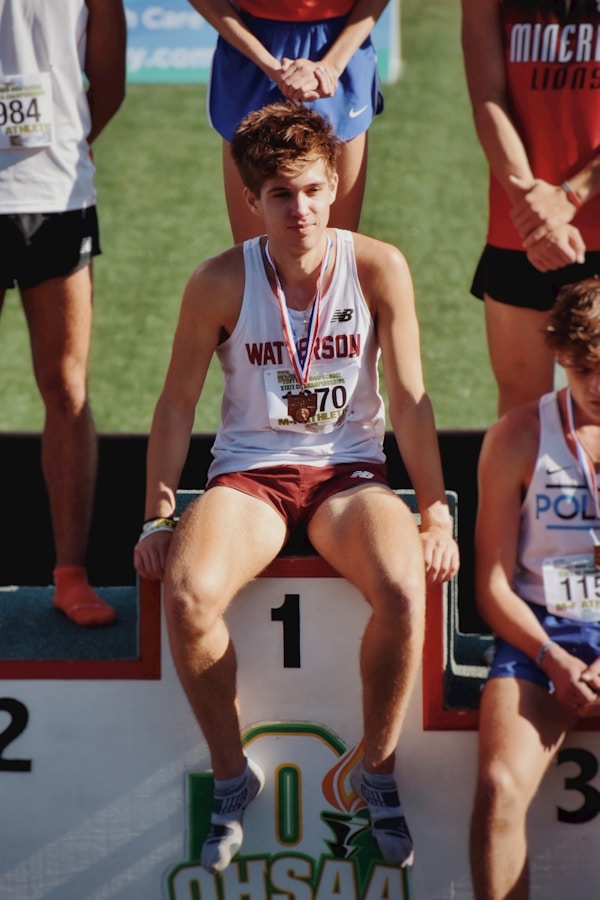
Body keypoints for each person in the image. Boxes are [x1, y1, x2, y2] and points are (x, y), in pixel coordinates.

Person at [134, 101, 459, 874]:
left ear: (336, 182)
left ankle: (375, 771)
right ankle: (230, 776)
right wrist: (156, 516)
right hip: (250, 476)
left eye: (313, 189)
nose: (301, 208)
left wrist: (438, 509)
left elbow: (410, 399)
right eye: (280, 194)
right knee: (185, 593)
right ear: (253, 202)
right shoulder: (219, 279)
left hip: (348, 475)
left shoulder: (378, 265)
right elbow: (176, 403)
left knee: (407, 587)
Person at [470, 276, 600, 899]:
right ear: (559, 357)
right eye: (582, 369)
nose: (597, 387)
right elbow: (492, 583)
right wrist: (554, 657)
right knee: (498, 788)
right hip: (542, 634)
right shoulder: (518, 436)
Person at [0, 0, 126, 626]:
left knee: (67, 387)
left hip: (56, 195)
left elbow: (109, 81)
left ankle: (71, 576)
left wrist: (67, 146)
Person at [461, 0, 600, 416]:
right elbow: (487, 97)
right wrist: (538, 214)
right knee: (524, 411)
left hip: (546, 215)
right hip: (522, 227)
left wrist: (569, 195)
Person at [187, 0, 388, 242]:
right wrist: (268, 64)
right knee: (255, 258)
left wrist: (331, 66)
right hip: (250, 48)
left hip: (341, 45)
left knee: (337, 255)